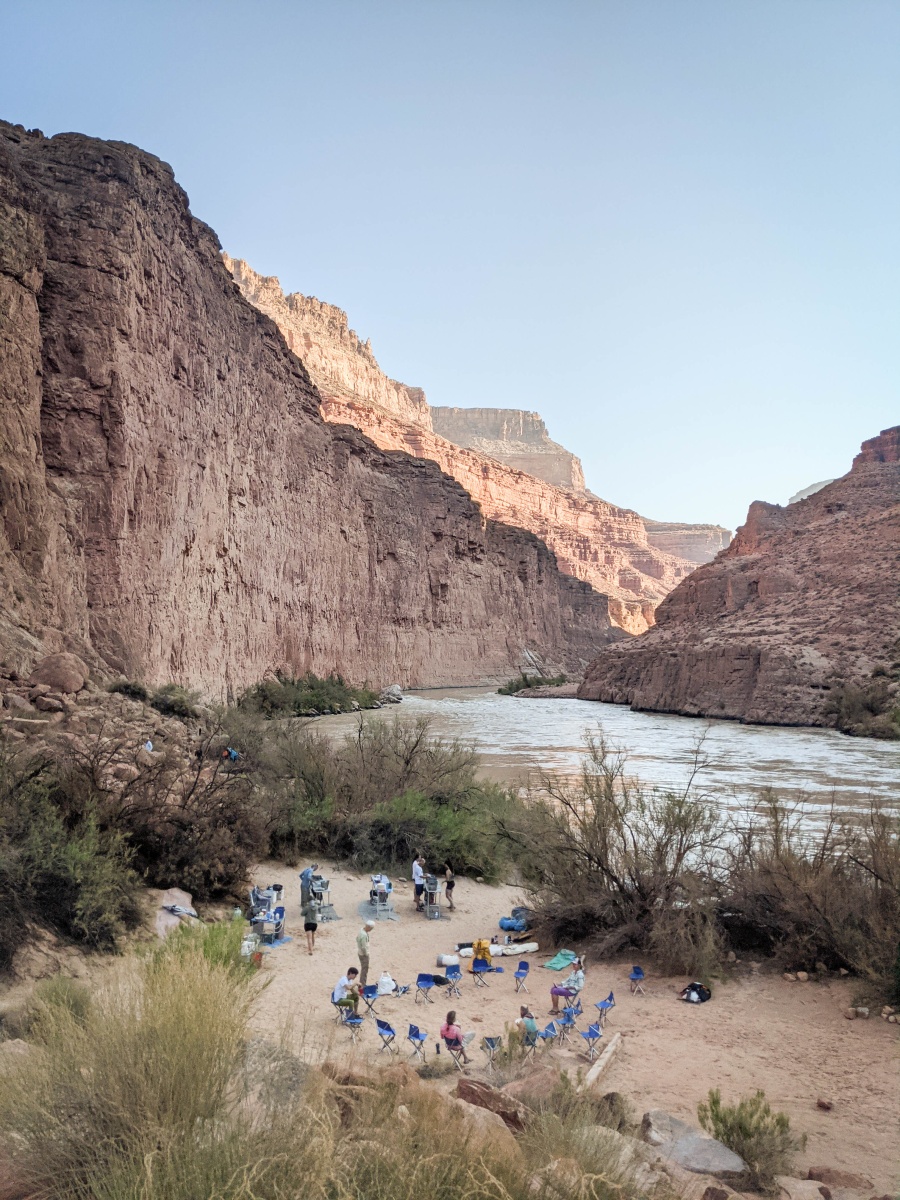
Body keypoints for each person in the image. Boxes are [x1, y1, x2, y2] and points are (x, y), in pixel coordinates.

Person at [357, 921, 374, 986]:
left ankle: (362, 983)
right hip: (363, 954)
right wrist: (366, 954)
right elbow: (363, 947)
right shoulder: (364, 935)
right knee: (364, 970)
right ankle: (362, 984)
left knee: (364, 969)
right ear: (368, 927)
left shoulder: (361, 931)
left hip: (360, 952)